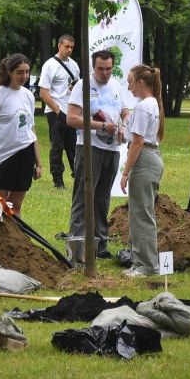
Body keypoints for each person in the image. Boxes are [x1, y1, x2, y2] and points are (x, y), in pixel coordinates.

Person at [66, 50, 129, 262]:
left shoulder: (116, 86)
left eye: (109, 69)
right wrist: (101, 125)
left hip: (112, 149)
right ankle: (77, 245)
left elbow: (125, 111)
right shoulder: (83, 86)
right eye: (100, 69)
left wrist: (123, 126)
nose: (105, 73)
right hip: (89, 147)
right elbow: (72, 119)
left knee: (102, 197)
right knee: (84, 196)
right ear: (93, 67)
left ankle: (100, 243)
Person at [119, 65, 165, 277]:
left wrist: (126, 172)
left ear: (140, 82)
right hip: (150, 158)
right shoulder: (151, 103)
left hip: (144, 160)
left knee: (141, 215)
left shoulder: (143, 107)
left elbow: (137, 143)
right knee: (141, 213)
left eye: (130, 82)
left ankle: (147, 265)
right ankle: (140, 262)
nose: (128, 87)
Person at [0, 54, 42, 216]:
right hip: (2, 156)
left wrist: (39, 163)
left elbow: (31, 130)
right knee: (0, 206)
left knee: (15, 207)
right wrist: (7, 140)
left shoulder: (28, 95)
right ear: (9, 72)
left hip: (25, 154)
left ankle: (17, 240)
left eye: (27, 72)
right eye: (19, 72)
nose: (24, 76)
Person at [39, 35, 80, 189]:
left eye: (71, 47)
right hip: (55, 112)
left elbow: (75, 86)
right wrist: (57, 110)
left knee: (74, 146)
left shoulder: (74, 66)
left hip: (71, 112)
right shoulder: (50, 65)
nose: (69, 50)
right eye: (66, 47)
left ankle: (78, 175)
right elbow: (44, 92)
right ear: (59, 46)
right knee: (57, 146)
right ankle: (58, 181)